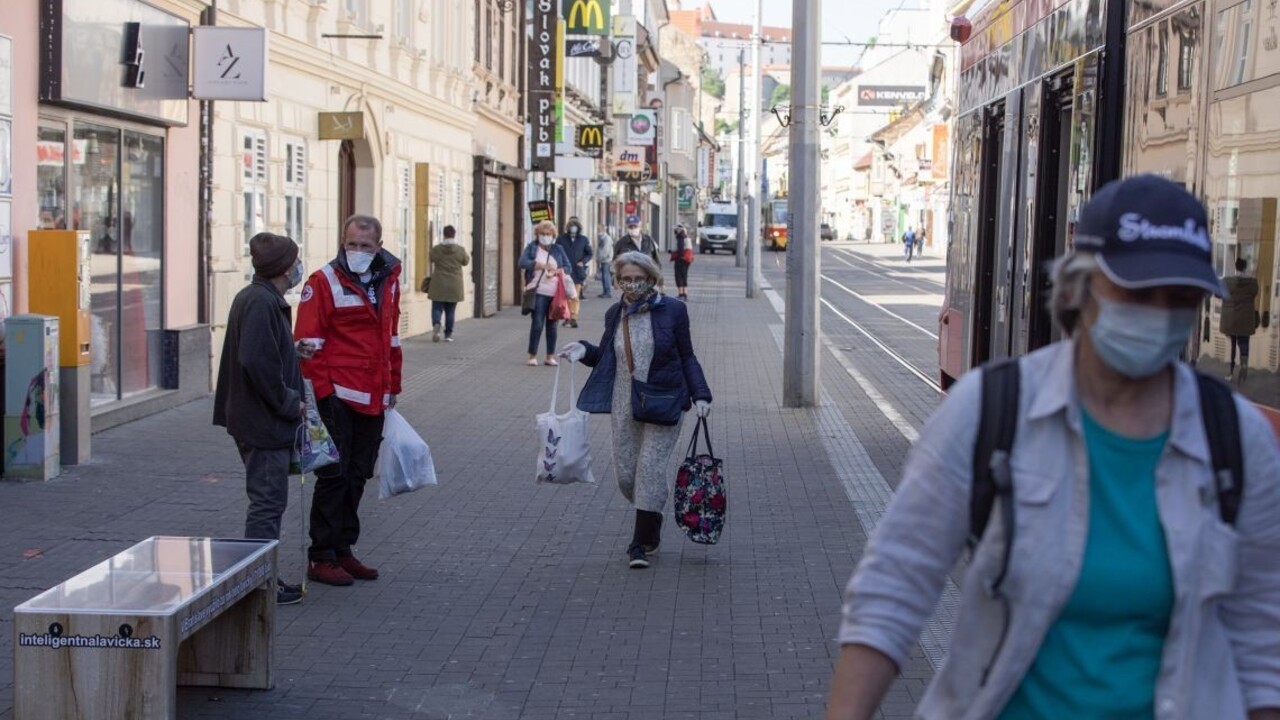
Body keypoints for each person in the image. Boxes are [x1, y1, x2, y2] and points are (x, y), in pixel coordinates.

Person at [825, 175, 1280, 720]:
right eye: (1137, 293)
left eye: (1180, 298)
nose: (1160, 314)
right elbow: (892, 589)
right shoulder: (990, 410)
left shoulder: (1234, 436)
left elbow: (1261, 634)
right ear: (1080, 287)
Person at [558, 252, 713, 569]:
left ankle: (639, 544)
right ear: (617, 282)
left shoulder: (673, 311)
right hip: (623, 401)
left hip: (665, 399)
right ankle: (651, 514)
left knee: (649, 469)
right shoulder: (616, 314)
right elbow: (607, 355)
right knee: (627, 475)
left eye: (637, 278)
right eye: (625, 279)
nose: (631, 284)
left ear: (651, 279)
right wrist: (584, 350)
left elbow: (687, 356)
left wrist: (701, 394)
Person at [294, 214, 403, 587]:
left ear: (379, 245)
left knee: (358, 475)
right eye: (352, 245)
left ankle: (343, 549)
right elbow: (307, 345)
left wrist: (392, 389)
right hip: (337, 395)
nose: (357, 252)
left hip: (373, 395)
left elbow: (391, 338)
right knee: (333, 477)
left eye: (365, 246)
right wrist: (323, 396)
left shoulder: (387, 279)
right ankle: (320, 556)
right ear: (343, 242)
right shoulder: (322, 281)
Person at [213, 232, 308, 606]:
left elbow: (265, 352)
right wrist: (289, 403)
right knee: (267, 504)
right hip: (262, 421)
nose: (300, 266)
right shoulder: (260, 302)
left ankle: (259, 578)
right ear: (286, 267)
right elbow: (256, 362)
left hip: (259, 418)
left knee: (269, 502)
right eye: (296, 261)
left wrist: (294, 352)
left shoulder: (263, 298)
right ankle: (256, 583)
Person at [519, 220, 573, 366]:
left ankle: (549, 356)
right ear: (537, 235)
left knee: (552, 325)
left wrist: (557, 271)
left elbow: (568, 267)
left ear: (553, 235)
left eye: (548, 234)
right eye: (542, 234)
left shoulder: (558, 249)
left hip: (555, 293)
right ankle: (532, 355)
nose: (545, 236)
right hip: (538, 291)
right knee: (537, 323)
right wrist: (539, 265)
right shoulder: (532, 248)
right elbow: (522, 262)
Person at [1221, 257, 1260, 384]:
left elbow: (1218, 293)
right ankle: (1244, 365)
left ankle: (1231, 372)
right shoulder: (1253, 283)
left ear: (1236, 267)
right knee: (1244, 343)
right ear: (1245, 267)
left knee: (1232, 345)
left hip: (1232, 318)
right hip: (1246, 319)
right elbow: (1255, 293)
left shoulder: (1228, 281)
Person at [428, 225, 469, 343]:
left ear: (444, 234)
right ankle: (448, 335)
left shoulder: (436, 249)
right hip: (454, 285)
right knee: (450, 311)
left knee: (437, 307)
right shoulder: (460, 250)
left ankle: (436, 324)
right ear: (454, 235)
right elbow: (466, 261)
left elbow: (431, 258)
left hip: (439, 283)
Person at [556, 216, 593, 328]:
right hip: (565, 271)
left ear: (578, 228)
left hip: (577, 272)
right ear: (568, 227)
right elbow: (556, 252)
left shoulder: (583, 239)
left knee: (575, 296)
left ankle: (573, 318)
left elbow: (589, 253)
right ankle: (566, 317)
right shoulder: (561, 239)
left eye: (575, 226)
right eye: (571, 226)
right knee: (566, 296)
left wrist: (583, 261)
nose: (573, 228)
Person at [669, 224, 694, 300]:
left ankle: (681, 294)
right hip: (686, 260)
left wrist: (677, 256)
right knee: (684, 276)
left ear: (680, 230)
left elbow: (680, 248)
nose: (675, 231)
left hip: (681, 260)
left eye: (676, 229)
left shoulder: (680, 237)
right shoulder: (685, 237)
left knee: (679, 276)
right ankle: (685, 294)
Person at [596, 229, 615, 298]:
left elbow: (605, 250)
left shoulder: (606, 239)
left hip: (606, 260)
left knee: (606, 276)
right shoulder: (602, 238)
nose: (598, 232)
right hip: (604, 259)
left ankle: (608, 291)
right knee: (604, 276)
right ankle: (605, 291)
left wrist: (600, 259)